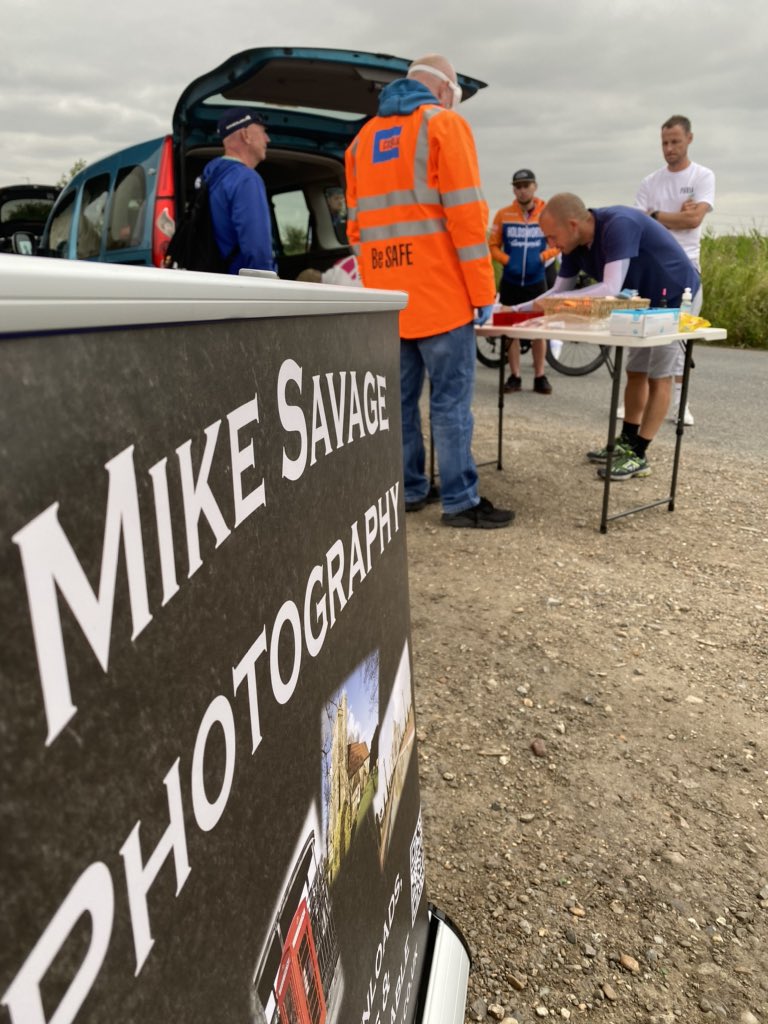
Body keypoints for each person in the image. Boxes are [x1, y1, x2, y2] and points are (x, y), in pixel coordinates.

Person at [345, 53, 513, 528]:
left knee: (398, 404)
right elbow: (466, 218)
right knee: (450, 403)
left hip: (388, 303)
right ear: (444, 91)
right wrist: (483, 294)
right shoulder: (444, 126)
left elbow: (356, 231)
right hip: (442, 298)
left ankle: (411, 489)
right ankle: (460, 501)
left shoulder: (360, 142)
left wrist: (384, 278)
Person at [520, 194, 700, 481]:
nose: (550, 245)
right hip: (642, 302)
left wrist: (557, 302)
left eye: (552, 236)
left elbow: (610, 287)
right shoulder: (574, 245)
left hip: (677, 296)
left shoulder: (619, 224)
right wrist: (514, 309)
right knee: (635, 371)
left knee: (659, 376)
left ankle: (639, 454)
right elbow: (556, 293)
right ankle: (626, 442)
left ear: (573, 224)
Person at [635, 115, 715, 425]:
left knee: (680, 336)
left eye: (675, 142)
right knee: (645, 336)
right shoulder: (650, 181)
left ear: (689, 139)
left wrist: (656, 214)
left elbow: (693, 221)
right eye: (665, 143)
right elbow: (641, 224)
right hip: (653, 268)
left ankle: (681, 404)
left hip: (686, 267)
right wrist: (665, 217)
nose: (669, 148)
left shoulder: (702, 176)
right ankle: (638, 403)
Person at [489, 168, 558, 395]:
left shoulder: (547, 213)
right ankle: (515, 375)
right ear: (514, 189)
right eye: (518, 186)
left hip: (536, 280)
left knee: (539, 330)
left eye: (526, 185)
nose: (522, 190)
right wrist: (507, 260)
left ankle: (540, 375)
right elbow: (493, 245)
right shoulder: (503, 215)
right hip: (511, 281)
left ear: (534, 187)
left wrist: (542, 257)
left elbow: (558, 243)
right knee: (512, 331)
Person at [202, 107, 276, 274]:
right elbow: (257, 250)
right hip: (241, 288)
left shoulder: (210, 177)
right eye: (263, 132)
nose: (267, 139)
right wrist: (268, 290)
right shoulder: (246, 179)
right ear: (246, 135)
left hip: (215, 282)